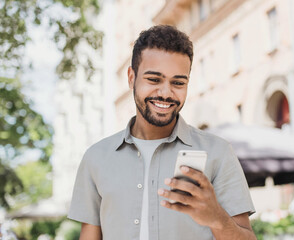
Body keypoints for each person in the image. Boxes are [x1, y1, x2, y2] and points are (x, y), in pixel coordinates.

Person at [68, 25, 256, 240]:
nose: (166, 93)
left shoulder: (218, 153)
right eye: (154, 80)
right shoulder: (96, 157)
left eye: (178, 82)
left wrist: (216, 218)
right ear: (131, 78)